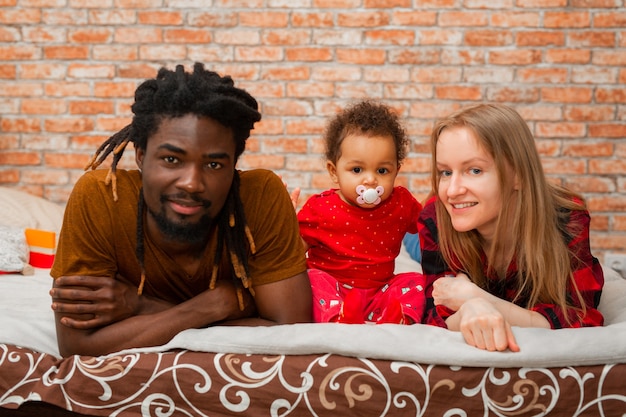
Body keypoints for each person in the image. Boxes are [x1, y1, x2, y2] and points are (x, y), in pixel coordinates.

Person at [49, 63, 312, 357]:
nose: (191, 184)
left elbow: (291, 332)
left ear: (233, 166)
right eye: (172, 160)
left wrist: (141, 306)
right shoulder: (101, 197)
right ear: (140, 155)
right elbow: (77, 345)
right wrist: (216, 305)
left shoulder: (261, 196)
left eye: (214, 165)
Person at [418, 103, 604, 352]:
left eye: (474, 170)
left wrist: (477, 298)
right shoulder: (435, 216)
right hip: (450, 222)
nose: (452, 190)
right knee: (409, 243)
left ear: (518, 175)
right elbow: (431, 317)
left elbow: (581, 318)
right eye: (445, 172)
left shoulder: (566, 219)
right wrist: (469, 311)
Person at [297, 100, 425, 324]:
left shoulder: (402, 203)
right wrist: (284, 226)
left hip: (380, 290)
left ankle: (397, 317)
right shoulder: (320, 208)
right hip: (334, 289)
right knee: (310, 279)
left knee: (415, 281)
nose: (370, 179)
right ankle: (338, 317)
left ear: (396, 171)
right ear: (334, 172)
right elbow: (295, 252)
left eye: (382, 170)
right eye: (357, 169)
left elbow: (429, 228)